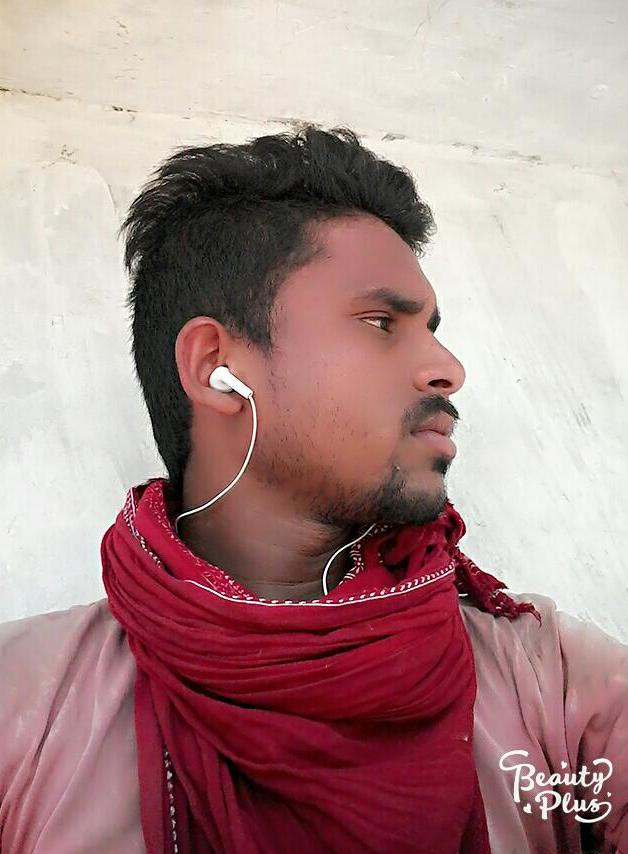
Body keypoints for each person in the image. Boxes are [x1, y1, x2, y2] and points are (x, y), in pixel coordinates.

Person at [0, 126, 626, 854]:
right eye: (381, 323)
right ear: (216, 369)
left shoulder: (551, 678)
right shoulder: (25, 700)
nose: (448, 369)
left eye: (431, 329)